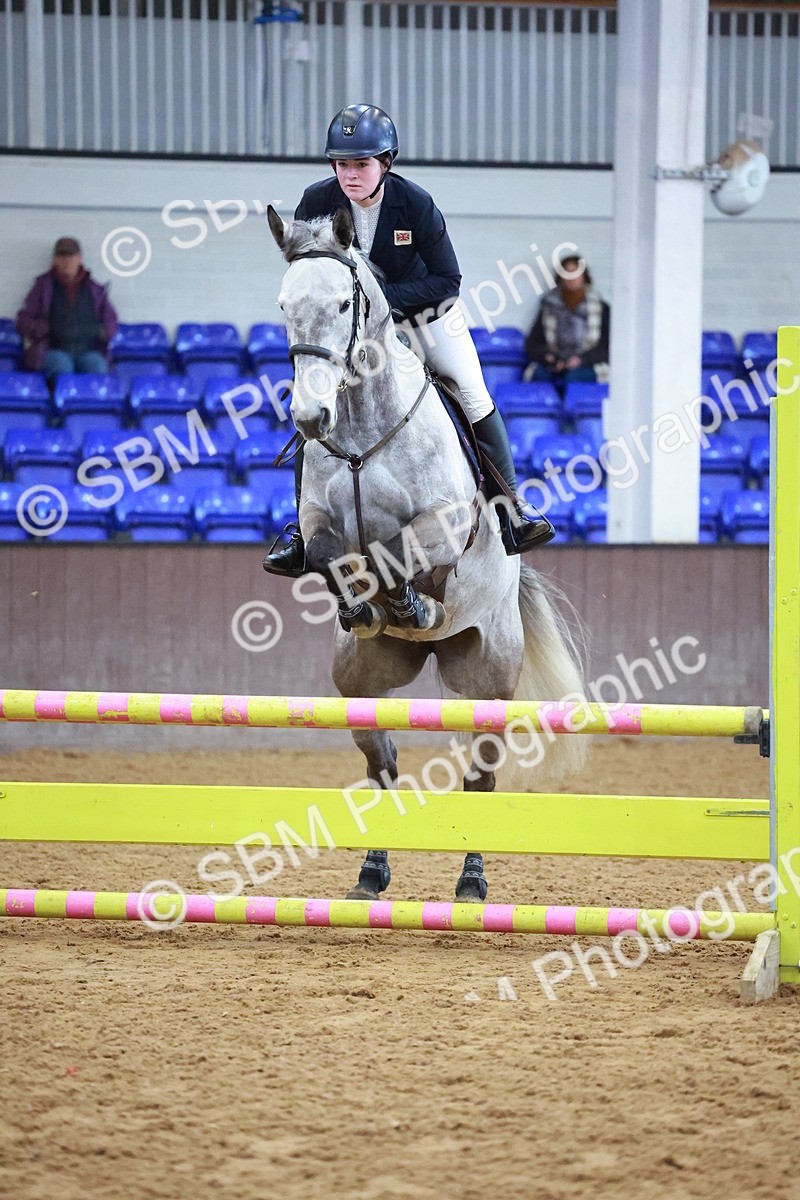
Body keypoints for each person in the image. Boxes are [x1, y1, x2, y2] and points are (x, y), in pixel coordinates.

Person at [264, 103, 554, 577]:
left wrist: (381, 302)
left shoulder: (414, 204)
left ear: (386, 162)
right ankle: (302, 530)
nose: (350, 175)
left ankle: (510, 509)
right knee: (312, 402)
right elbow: (314, 278)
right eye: (342, 164)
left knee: (470, 390)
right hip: (351, 327)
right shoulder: (315, 201)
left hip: (426, 316)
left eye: (361, 164)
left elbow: (447, 279)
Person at [16, 237, 119, 384]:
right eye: (62, 256)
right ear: (54, 259)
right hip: (52, 350)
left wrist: (99, 331)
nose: (67, 261)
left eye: (71, 256)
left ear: (79, 258)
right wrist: (44, 328)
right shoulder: (42, 286)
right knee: (62, 366)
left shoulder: (96, 289)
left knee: (97, 366)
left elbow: (111, 321)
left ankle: (88, 407)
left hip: (88, 350)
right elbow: (23, 320)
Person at [524, 254, 610, 385]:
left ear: (584, 276)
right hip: (555, 364)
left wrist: (581, 360)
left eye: (575, 273)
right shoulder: (548, 305)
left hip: (587, 363)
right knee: (540, 375)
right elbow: (533, 344)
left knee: (574, 378)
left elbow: (606, 346)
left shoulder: (600, 307)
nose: (571, 278)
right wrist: (549, 357)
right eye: (567, 273)